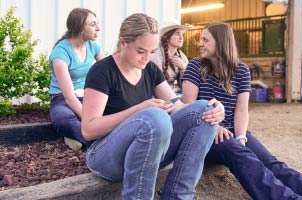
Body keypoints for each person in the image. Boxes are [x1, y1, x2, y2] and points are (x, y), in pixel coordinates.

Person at [181, 22, 302, 200]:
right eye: (201, 40)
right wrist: (213, 127)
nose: (200, 44)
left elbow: (242, 110)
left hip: (233, 132)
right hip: (204, 134)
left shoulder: (241, 70)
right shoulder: (195, 66)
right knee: (244, 157)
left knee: (272, 163)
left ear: (221, 42)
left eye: (205, 39)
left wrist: (242, 136)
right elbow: (190, 108)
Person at [81, 13, 224, 199]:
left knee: (204, 110)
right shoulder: (102, 71)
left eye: (152, 51)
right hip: (104, 157)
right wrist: (139, 109)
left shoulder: (149, 69)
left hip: (144, 152)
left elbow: (178, 107)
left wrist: (214, 112)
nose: (147, 58)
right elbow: (88, 129)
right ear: (123, 43)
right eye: (141, 51)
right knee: (154, 118)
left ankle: (178, 196)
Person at [48, 8, 105, 151]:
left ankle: (75, 135)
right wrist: (90, 120)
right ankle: (101, 144)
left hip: (87, 97)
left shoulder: (93, 46)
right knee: (64, 119)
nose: (98, 28)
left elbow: (108, 72)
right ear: (80, 27)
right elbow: (69, 97)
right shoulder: (60, 53)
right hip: (63, 99)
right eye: (93, 24)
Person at [150, 19, 191, 93]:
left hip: (177, 94)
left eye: (182, 34)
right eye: (177, 33)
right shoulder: (156, 56)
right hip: (160, 96)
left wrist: (184, 68)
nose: (181, 38)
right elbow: (156, 85)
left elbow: (189, 86)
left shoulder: (182, 56)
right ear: (167, 37)